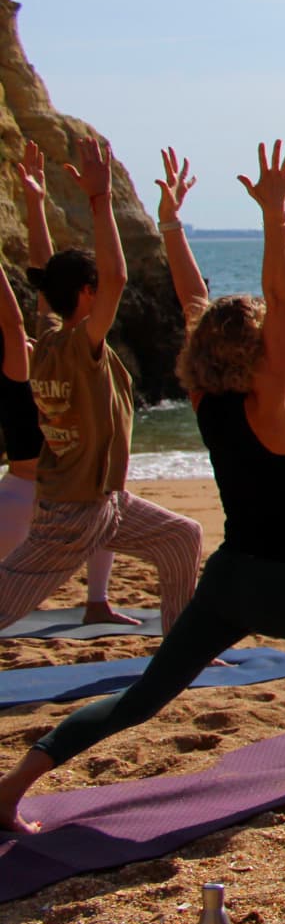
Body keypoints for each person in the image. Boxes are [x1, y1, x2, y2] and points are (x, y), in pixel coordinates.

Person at [0, 141, 285, 836]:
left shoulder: (206, 399)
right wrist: (275, 217)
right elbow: (283, 299)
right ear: (261, 353)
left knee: (143, 697)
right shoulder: (268, 404)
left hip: (227, 581)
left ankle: (15, 785)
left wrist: (173, 225)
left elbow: (192, 301)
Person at [0, 135, 199, 636]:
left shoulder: (46, 337)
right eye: (98, 291)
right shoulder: (78, 348)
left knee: (182, 538)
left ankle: (178, 650)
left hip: (103, 503)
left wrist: (34, 202)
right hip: (71, 514)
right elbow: (115, 278)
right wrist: (99, 199)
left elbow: (44, 275)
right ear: (88, 295)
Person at [0, 142, 118, 624]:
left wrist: (34, 204)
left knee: (110, 512)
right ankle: (97, 602)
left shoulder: (45, 349)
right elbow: (15, 320)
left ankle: (98, 602)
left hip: (40, 494)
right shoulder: (30, 363)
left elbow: (44, 288)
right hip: (30, 498)